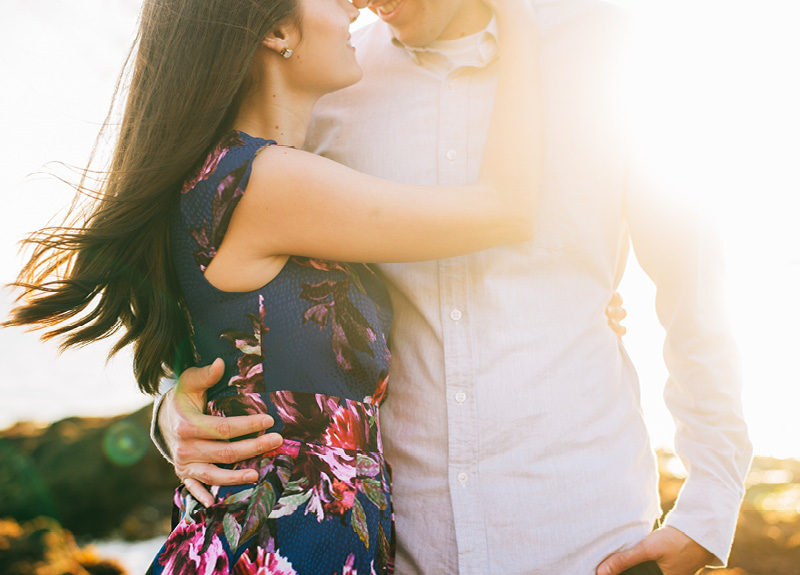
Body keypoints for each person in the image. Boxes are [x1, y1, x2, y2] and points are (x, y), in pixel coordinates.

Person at [155, 1, 753, 574]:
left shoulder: (604, 47)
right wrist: (174, 410)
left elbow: (694, 289)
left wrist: (710, 504)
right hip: (403, 546)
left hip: (586, 530)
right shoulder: (335, 79)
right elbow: (241, 290)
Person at [5, 0, 556, 573]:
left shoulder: (237, 175)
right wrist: (518, 19)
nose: (352, 6)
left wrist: (170, 411)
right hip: (275, 549)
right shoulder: (263, 182)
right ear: (274, 28)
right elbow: (508, 209)